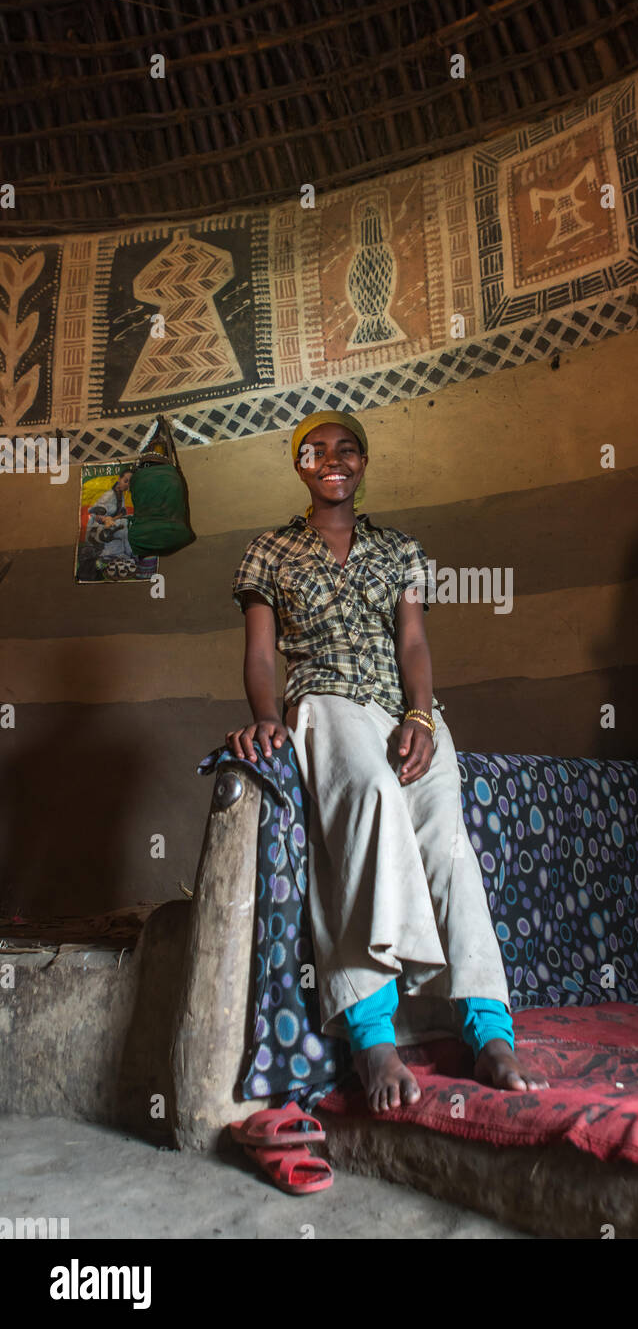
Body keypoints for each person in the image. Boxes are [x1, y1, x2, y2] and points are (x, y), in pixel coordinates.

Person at [227, 411, 548, 1113]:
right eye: (317, 452)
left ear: (364, 463)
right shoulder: (269, 550)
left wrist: (419, 716)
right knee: (371, 799)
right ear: (299, 465)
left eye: (348, 450)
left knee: (446, 843)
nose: (333, 461)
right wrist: (267, 720)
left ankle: (487, 1028)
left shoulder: (399, 549)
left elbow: (412, 645)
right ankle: (371, 1036)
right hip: (327, 699)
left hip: (404, 711)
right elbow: (259, 653)